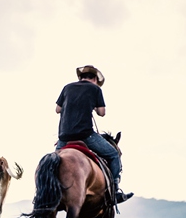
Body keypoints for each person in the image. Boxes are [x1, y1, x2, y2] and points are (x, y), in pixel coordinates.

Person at [55, 65, 134, 204]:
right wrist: (94, 107)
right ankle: (114, 192)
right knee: (113, 155)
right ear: (95, 79)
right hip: (85, 135)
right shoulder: (95, 89)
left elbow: (57, 109)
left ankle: (47, 193)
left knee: (53, 163)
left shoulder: (67, 87)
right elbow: (102, 113)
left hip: (64, 137)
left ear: (80, 77)